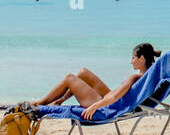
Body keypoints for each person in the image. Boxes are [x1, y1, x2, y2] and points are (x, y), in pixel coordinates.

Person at [30, 42, 161, 120]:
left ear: (142, 59)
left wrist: (94, 107)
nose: (131, 61)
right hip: (110, 100)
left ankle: (41, 103)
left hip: (106, 106)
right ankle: (59, 100)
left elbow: (115, 96)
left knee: (70, 78)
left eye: (133, 58)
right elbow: (116, 95)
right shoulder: (148, 77)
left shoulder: (135, 77)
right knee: (82, 73)